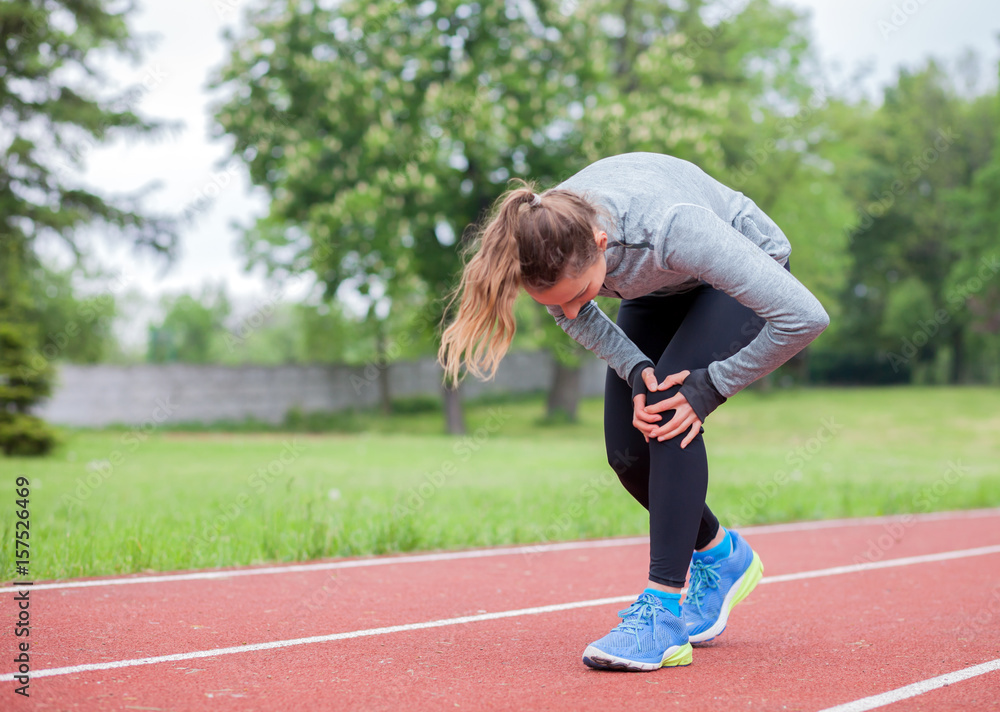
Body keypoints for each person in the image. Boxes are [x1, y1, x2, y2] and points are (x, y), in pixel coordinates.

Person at [437, 152, 829, 672]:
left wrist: (711, 386)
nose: (569, 312)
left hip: (736, 271)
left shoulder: (671, 227)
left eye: (579, 296)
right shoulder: (548, 237)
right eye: (555, 303)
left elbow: (805, 317)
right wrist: (635, 366)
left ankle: (664, 616)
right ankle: (721, 555)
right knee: (626, 451)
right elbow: (574, 314)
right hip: (655, 284)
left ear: (602, 244)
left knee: (671, 410)